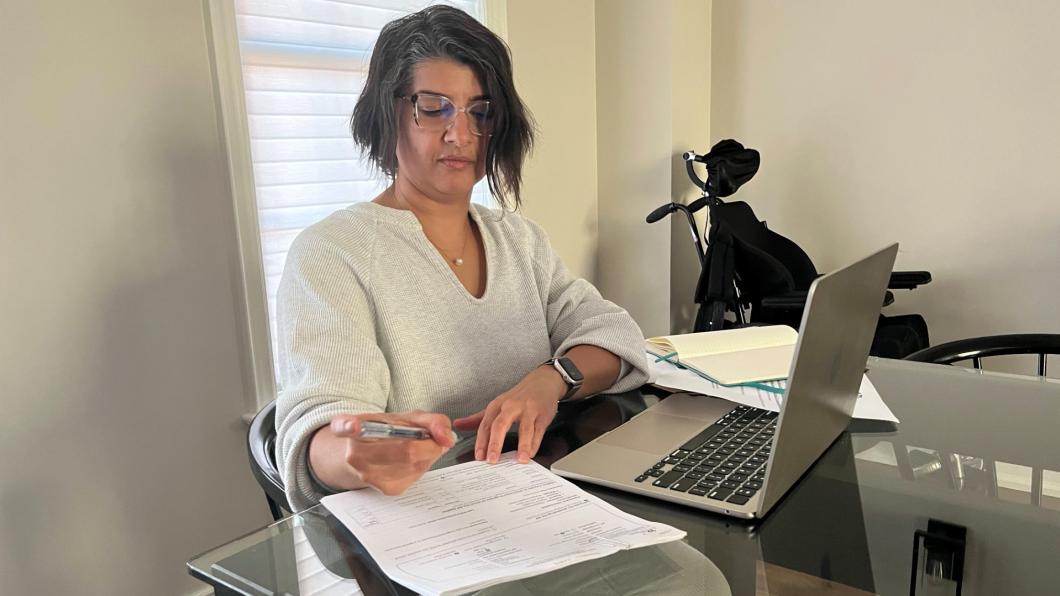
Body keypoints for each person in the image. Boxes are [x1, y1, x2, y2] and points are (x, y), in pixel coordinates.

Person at [275, 5, 649, 511]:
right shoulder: (333, 253)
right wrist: (358, 451)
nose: (461, 134)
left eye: (481, 111)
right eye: (434, 107)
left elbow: (615, 335)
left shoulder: (519, 240)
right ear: (387, 115)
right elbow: (322, 431)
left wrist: (550, 380)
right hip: (421, 520)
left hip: (544, 499)